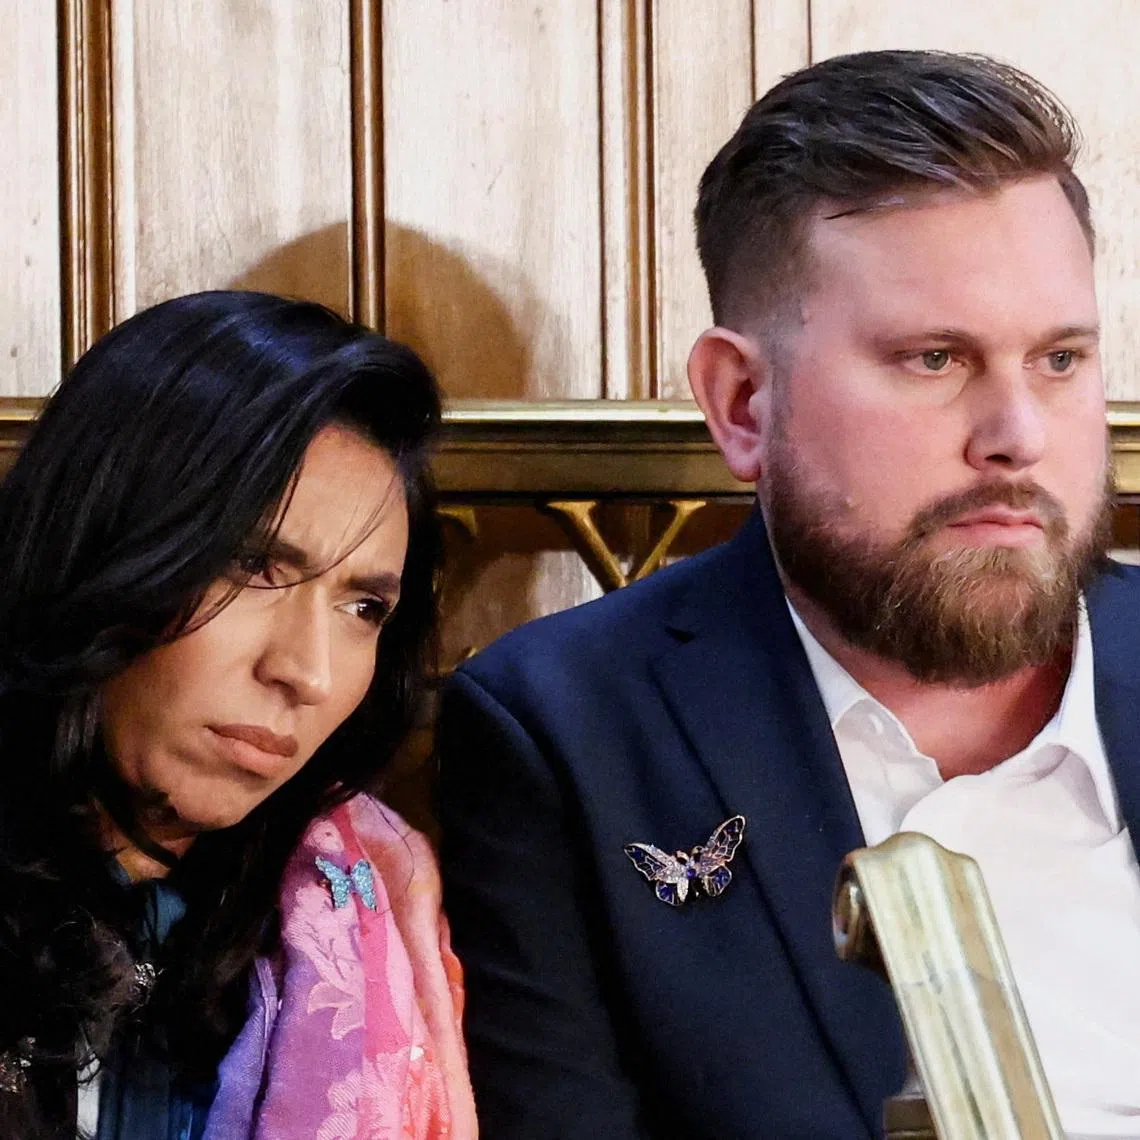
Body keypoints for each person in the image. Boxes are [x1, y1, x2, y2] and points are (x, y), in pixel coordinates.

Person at [436, 50, 1140, 1138]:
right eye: (934, 359)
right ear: (743, 402)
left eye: (1059, 359)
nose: (1019, 437)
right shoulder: (566, 732)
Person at [0, 291, 477, 1139]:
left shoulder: (365, 902)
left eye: (363, 607)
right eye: (253, 566)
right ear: (102, 542)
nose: (307, 672)